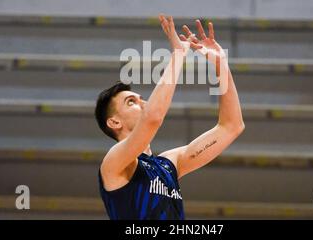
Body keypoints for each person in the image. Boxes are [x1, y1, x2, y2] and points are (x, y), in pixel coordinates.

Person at [95, 14, 245, 220]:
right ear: (114, 122)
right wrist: (178, 54)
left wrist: (221, 65)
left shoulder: (168, 165)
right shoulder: (114, 162)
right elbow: (152, 118)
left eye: (141, 99)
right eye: (131, 102)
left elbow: (232, 126)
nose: (143, 103)